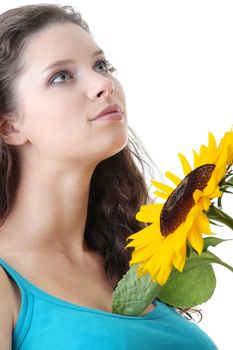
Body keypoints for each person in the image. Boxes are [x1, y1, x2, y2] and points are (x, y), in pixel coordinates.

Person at [0, 3, 218, 349]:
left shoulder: (135, 259)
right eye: (61, 76)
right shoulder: (6, 279)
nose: (103, 83)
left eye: (101, 65)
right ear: (10, 125)